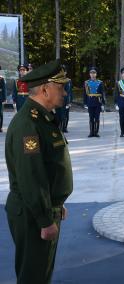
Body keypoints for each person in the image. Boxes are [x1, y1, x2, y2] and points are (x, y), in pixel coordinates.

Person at [5, 59, 73, 283]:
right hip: (33, 214)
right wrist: (45, 220)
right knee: (33, 276)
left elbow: (49, 168)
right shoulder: (29, 125)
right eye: (60, 86)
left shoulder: (43, 118)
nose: (64, 91)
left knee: (41, 273)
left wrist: (57, 203)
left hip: (43, 208)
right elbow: (31, 177)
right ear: (45, 89)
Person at [83, 67, 106, 138]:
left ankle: (96, 132)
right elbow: (84, 94)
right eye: (91, 73)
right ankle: (91, 132)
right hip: (90, 101)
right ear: (89, 74)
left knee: (97, 117)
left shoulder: (100, 82)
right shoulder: (86, 83)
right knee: (91, 117)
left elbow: (103, 93)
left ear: (96, 74)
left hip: (98, 102)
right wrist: (85, 103)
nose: (92, 74)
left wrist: (103, 103)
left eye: (94, 73)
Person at [54, 65, 73, 133]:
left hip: (65, 101)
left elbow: (69, 92)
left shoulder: (68, 81)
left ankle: (63, 128)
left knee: (64, 115)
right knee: (58, 115)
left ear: (65, 72)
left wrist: (69, 101)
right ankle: (59, 128)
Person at [0, 65, 6, 132]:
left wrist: (4, 98)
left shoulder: (1, 78)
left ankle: (0, 127)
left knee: (0, 113)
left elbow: (4, 89)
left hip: (0, 97)